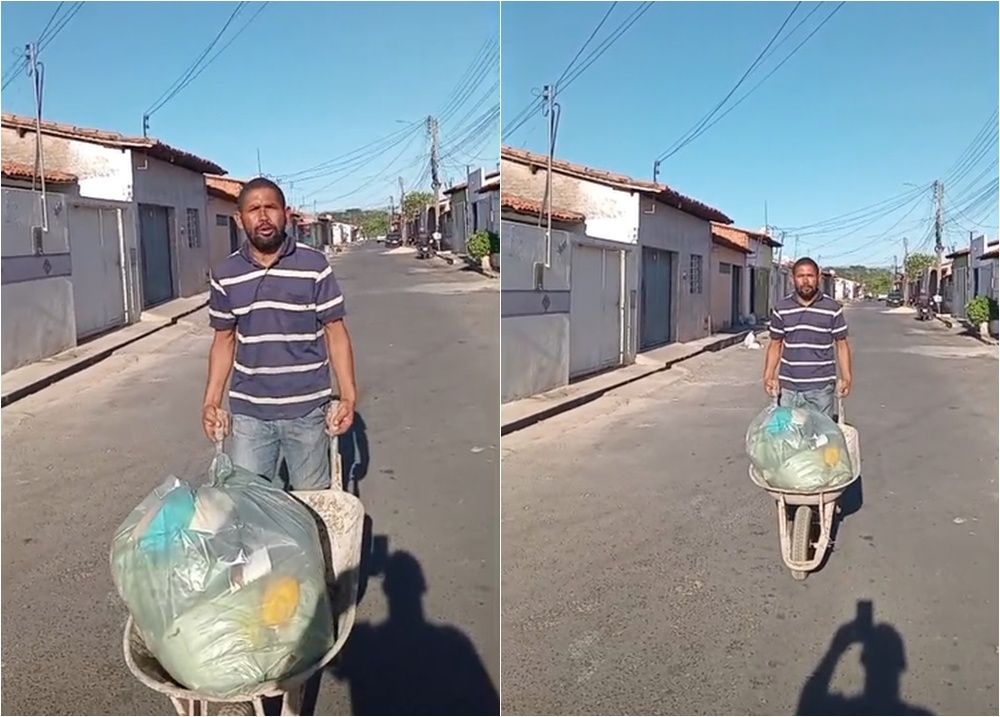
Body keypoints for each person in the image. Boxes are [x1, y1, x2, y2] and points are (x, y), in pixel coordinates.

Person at [200, 176, 357, 490]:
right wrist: (211, 402)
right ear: (239, 219)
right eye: (253, 209)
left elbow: (335, 333)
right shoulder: (225, 275)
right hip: (249, 414)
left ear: (286, 213)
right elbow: (223, 340)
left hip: (308, 410)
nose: (263, 217)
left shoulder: (314, 266)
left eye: (270, 208)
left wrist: (349, 396)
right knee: (252, 507)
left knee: (311, 506)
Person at [763, 257, 852, 418]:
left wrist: (846, 377)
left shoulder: (832, 308)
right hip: (788, 388)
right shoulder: (781, 309)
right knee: (789, 439)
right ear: (792, 280)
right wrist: (768, 375)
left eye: (810, 276)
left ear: (818, 278)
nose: (805, 281)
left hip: (821, 389)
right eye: (800, 276)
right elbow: (775, 344)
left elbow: (842, 344)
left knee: (820, 440)